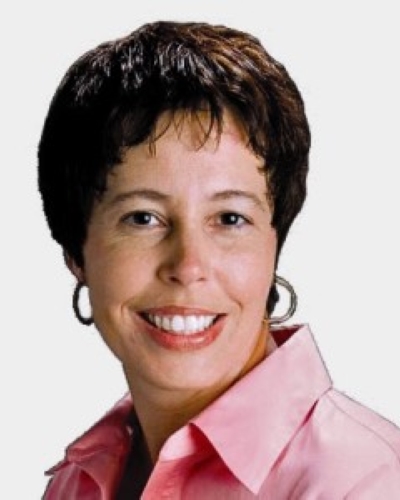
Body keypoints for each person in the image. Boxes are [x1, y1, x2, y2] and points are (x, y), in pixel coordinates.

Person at [38, 20, 400, 499]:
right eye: (143, 218)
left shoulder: (365, 482)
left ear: (275, 244)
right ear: (75, 251)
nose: (189, 267)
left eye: (230, 219)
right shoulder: (75, 481)